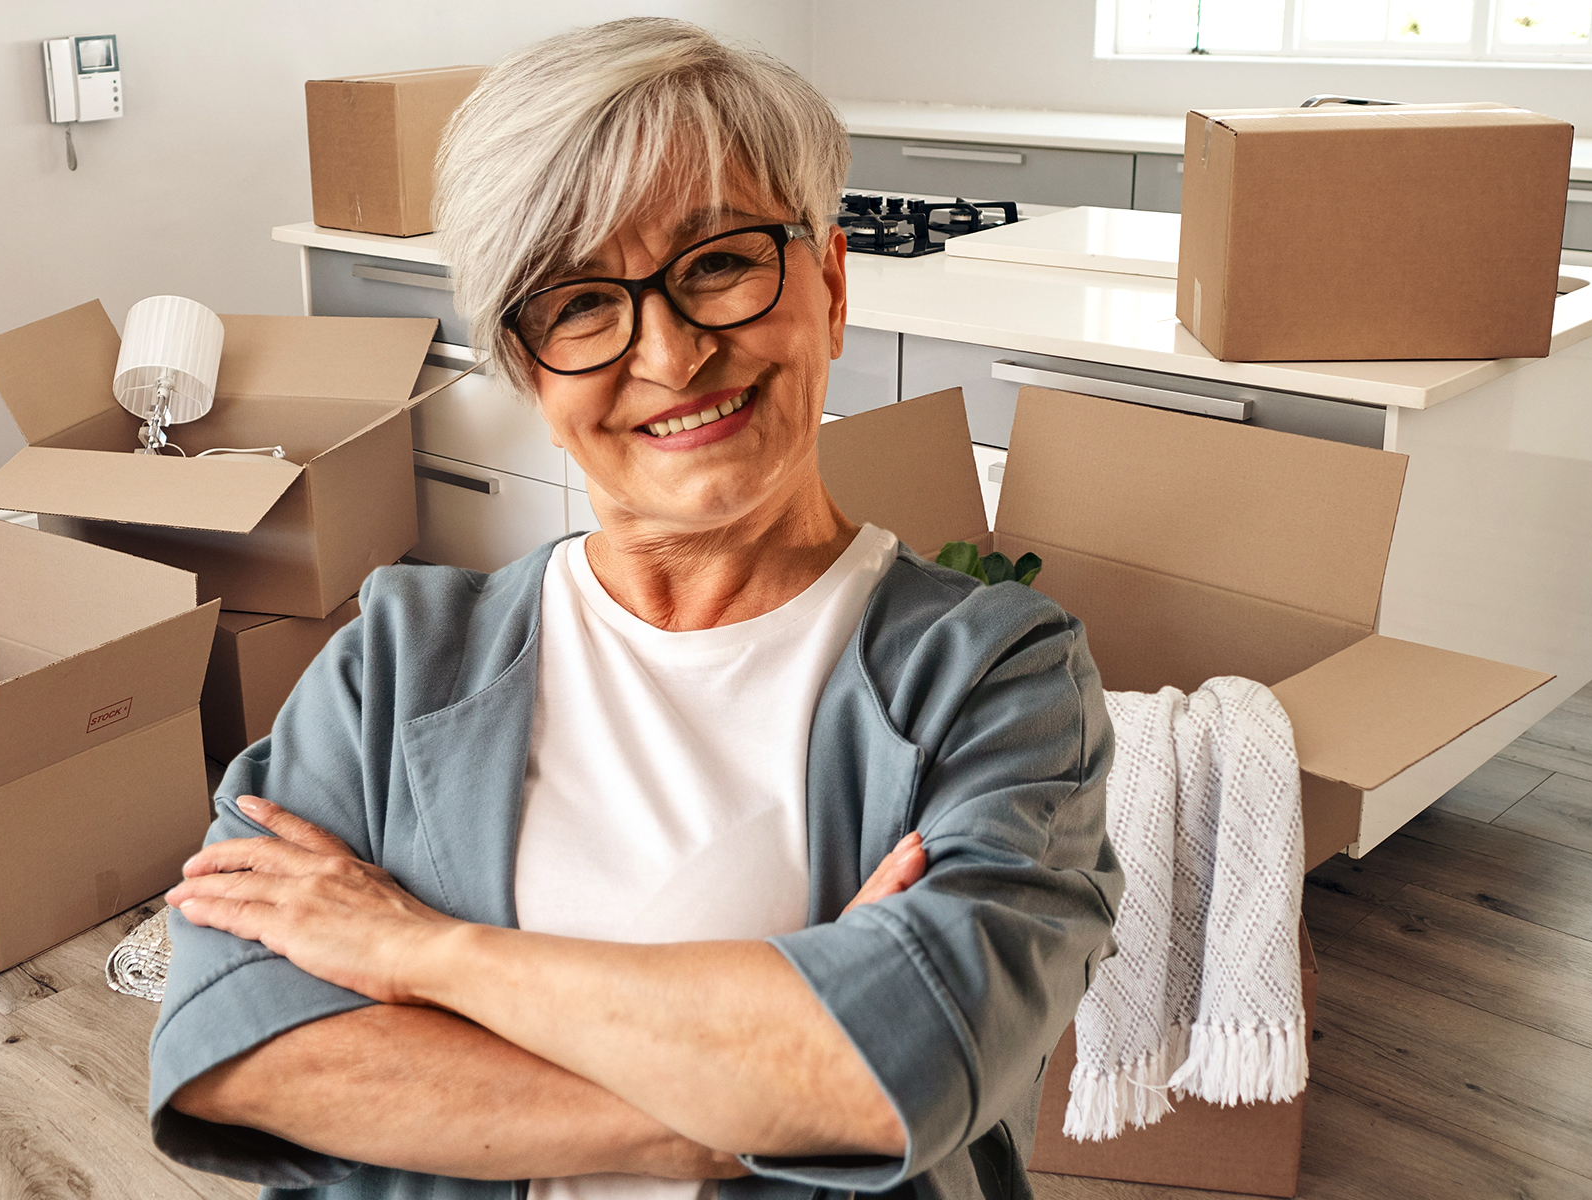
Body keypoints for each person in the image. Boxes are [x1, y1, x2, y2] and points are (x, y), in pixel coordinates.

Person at [148, 18, 1120, 1200]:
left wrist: (416, 952)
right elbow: (232, 1054)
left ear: (828, 281)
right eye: (579, 304)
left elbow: (901, 1069)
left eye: (718, 263)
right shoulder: (398, 658)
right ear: (527, 371)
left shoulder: (991, 675)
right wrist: (735, 1107)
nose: (669, 352)